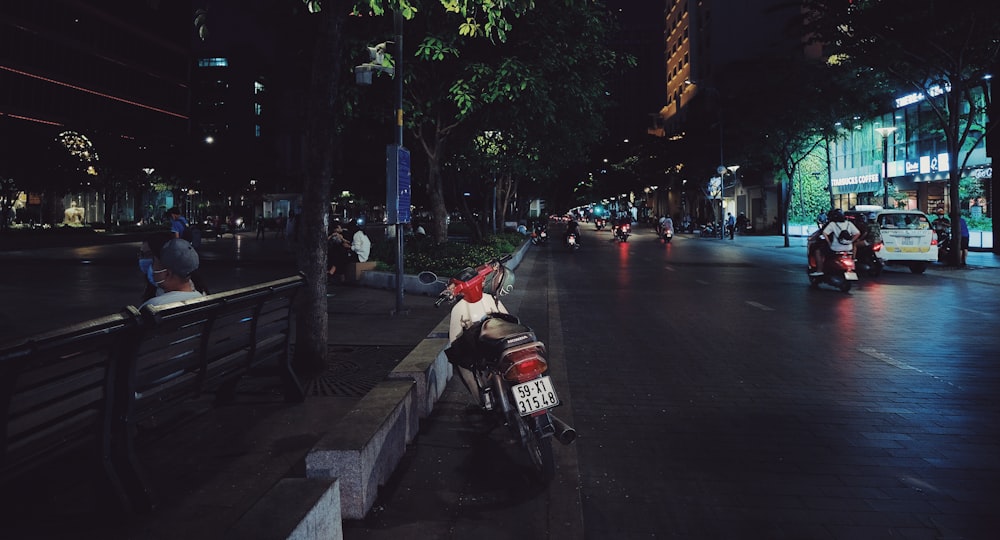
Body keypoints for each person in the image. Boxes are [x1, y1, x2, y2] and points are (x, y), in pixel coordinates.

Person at [446, 263, 515, 406]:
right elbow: (509, 319)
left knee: (461, 361)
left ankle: (482, 402)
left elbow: (455, 342)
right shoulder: (490, 299)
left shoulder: (460, 309)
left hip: (491, 345)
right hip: (505, 339)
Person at [140, 238, 206, 308]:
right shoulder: (200, 297)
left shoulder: (152, 306)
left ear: (167, 273)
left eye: (154, 264)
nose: (152, 269)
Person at [811, 208, 861, 276]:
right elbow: (857, 233)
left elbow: (824, 233)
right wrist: (851, 241)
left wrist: (829, 243)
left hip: (836, 248)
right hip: (848, 248)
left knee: (818, 251)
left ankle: (819, 270)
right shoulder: (849, 224)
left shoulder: (832, 224)